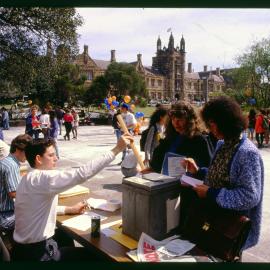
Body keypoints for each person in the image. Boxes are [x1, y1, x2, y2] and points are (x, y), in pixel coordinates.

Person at [12, 133, 132, 261]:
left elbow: (34, 208)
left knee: (64, 236)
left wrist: (68, 210)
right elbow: (82, 174)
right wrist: (117, 149)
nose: (56, 159)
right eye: (51, 155)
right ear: (38, 159)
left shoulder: (27, 178)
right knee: (97, 257)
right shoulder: (43, 178)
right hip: (38, 253)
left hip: (21, 250)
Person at [183, 96, 264, 255]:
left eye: (212, 123)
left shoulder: (247, 153)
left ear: (225, 122)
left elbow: (250, 196)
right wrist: (198, 171)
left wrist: (211, 193)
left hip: (230, 229)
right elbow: (221, 176)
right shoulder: (222, 143)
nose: (209, 128)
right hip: (214, 220)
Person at [146, 101, 211, 174]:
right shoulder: (170, 137)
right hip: (164, 181)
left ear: (189, 120)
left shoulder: (200, 140)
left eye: (180, 120)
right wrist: (151, 169)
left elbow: (207, 169)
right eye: (173, 119)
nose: (176, 123)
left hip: (186, 183)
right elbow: (158, 161)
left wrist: (196, 170)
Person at [0, 134, 33, 232]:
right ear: (18, 150)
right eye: (28, 152)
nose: (28, 156)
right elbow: (13, 193)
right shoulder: (12, 166)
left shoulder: (6, 161)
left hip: (4, 213)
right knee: (38, 216)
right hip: (5, 216)